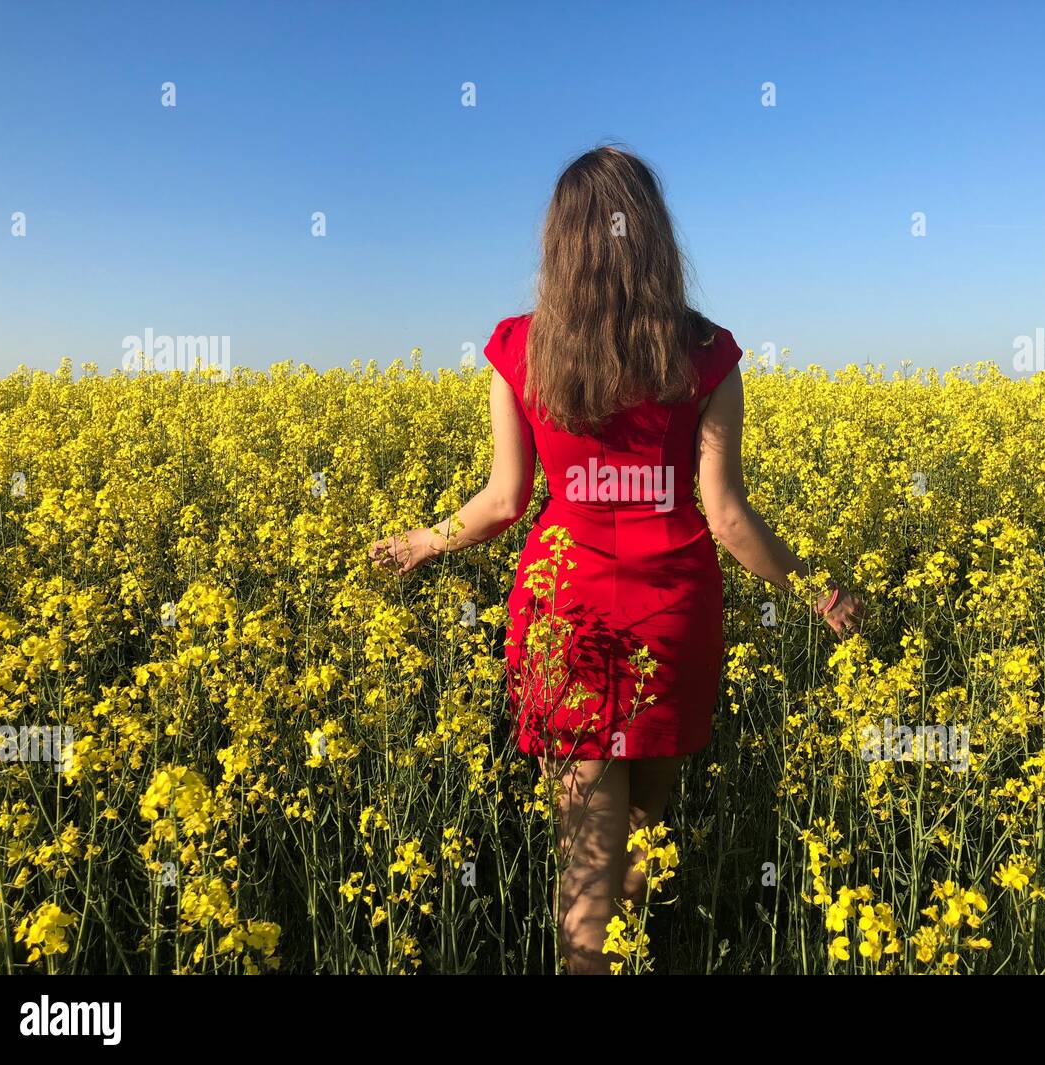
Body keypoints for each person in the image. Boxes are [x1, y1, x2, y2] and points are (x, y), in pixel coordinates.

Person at [369, 145, 865, 974]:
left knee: (587, 869)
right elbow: (728, 516)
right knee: (642, 839)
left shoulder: (521, 349)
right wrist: (820, 590)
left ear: (561, 242)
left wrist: (425, 539)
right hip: (671, 616)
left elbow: (502, 501)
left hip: (565, 615)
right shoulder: (704, 351)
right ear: (654, 236)